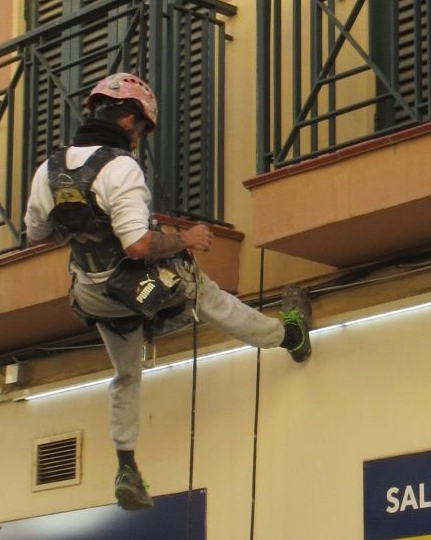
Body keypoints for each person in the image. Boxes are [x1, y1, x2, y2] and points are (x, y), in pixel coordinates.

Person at [24, 72, 312, 511]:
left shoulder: (49, 170)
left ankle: (126, 465)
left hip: (93, 295)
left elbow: (37, 235)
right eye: (142, 130)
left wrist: (84, 229)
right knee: (211, 298)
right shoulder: (121, 169)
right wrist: (188, 238)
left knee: (125, 373)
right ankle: (291, 336)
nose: (140, 139)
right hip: (140, 284)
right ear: (132, 122)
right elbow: (138, 244)